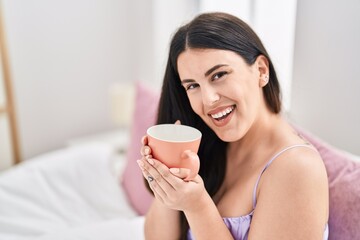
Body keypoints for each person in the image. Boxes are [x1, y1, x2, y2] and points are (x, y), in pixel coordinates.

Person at [137, 12, 329, 240]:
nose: (208, 99)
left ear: (261, 71)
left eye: (219, 75)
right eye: (192, 86)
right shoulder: (209, 144)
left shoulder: (297, 168)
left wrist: (197, 206)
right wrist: (168, 175)